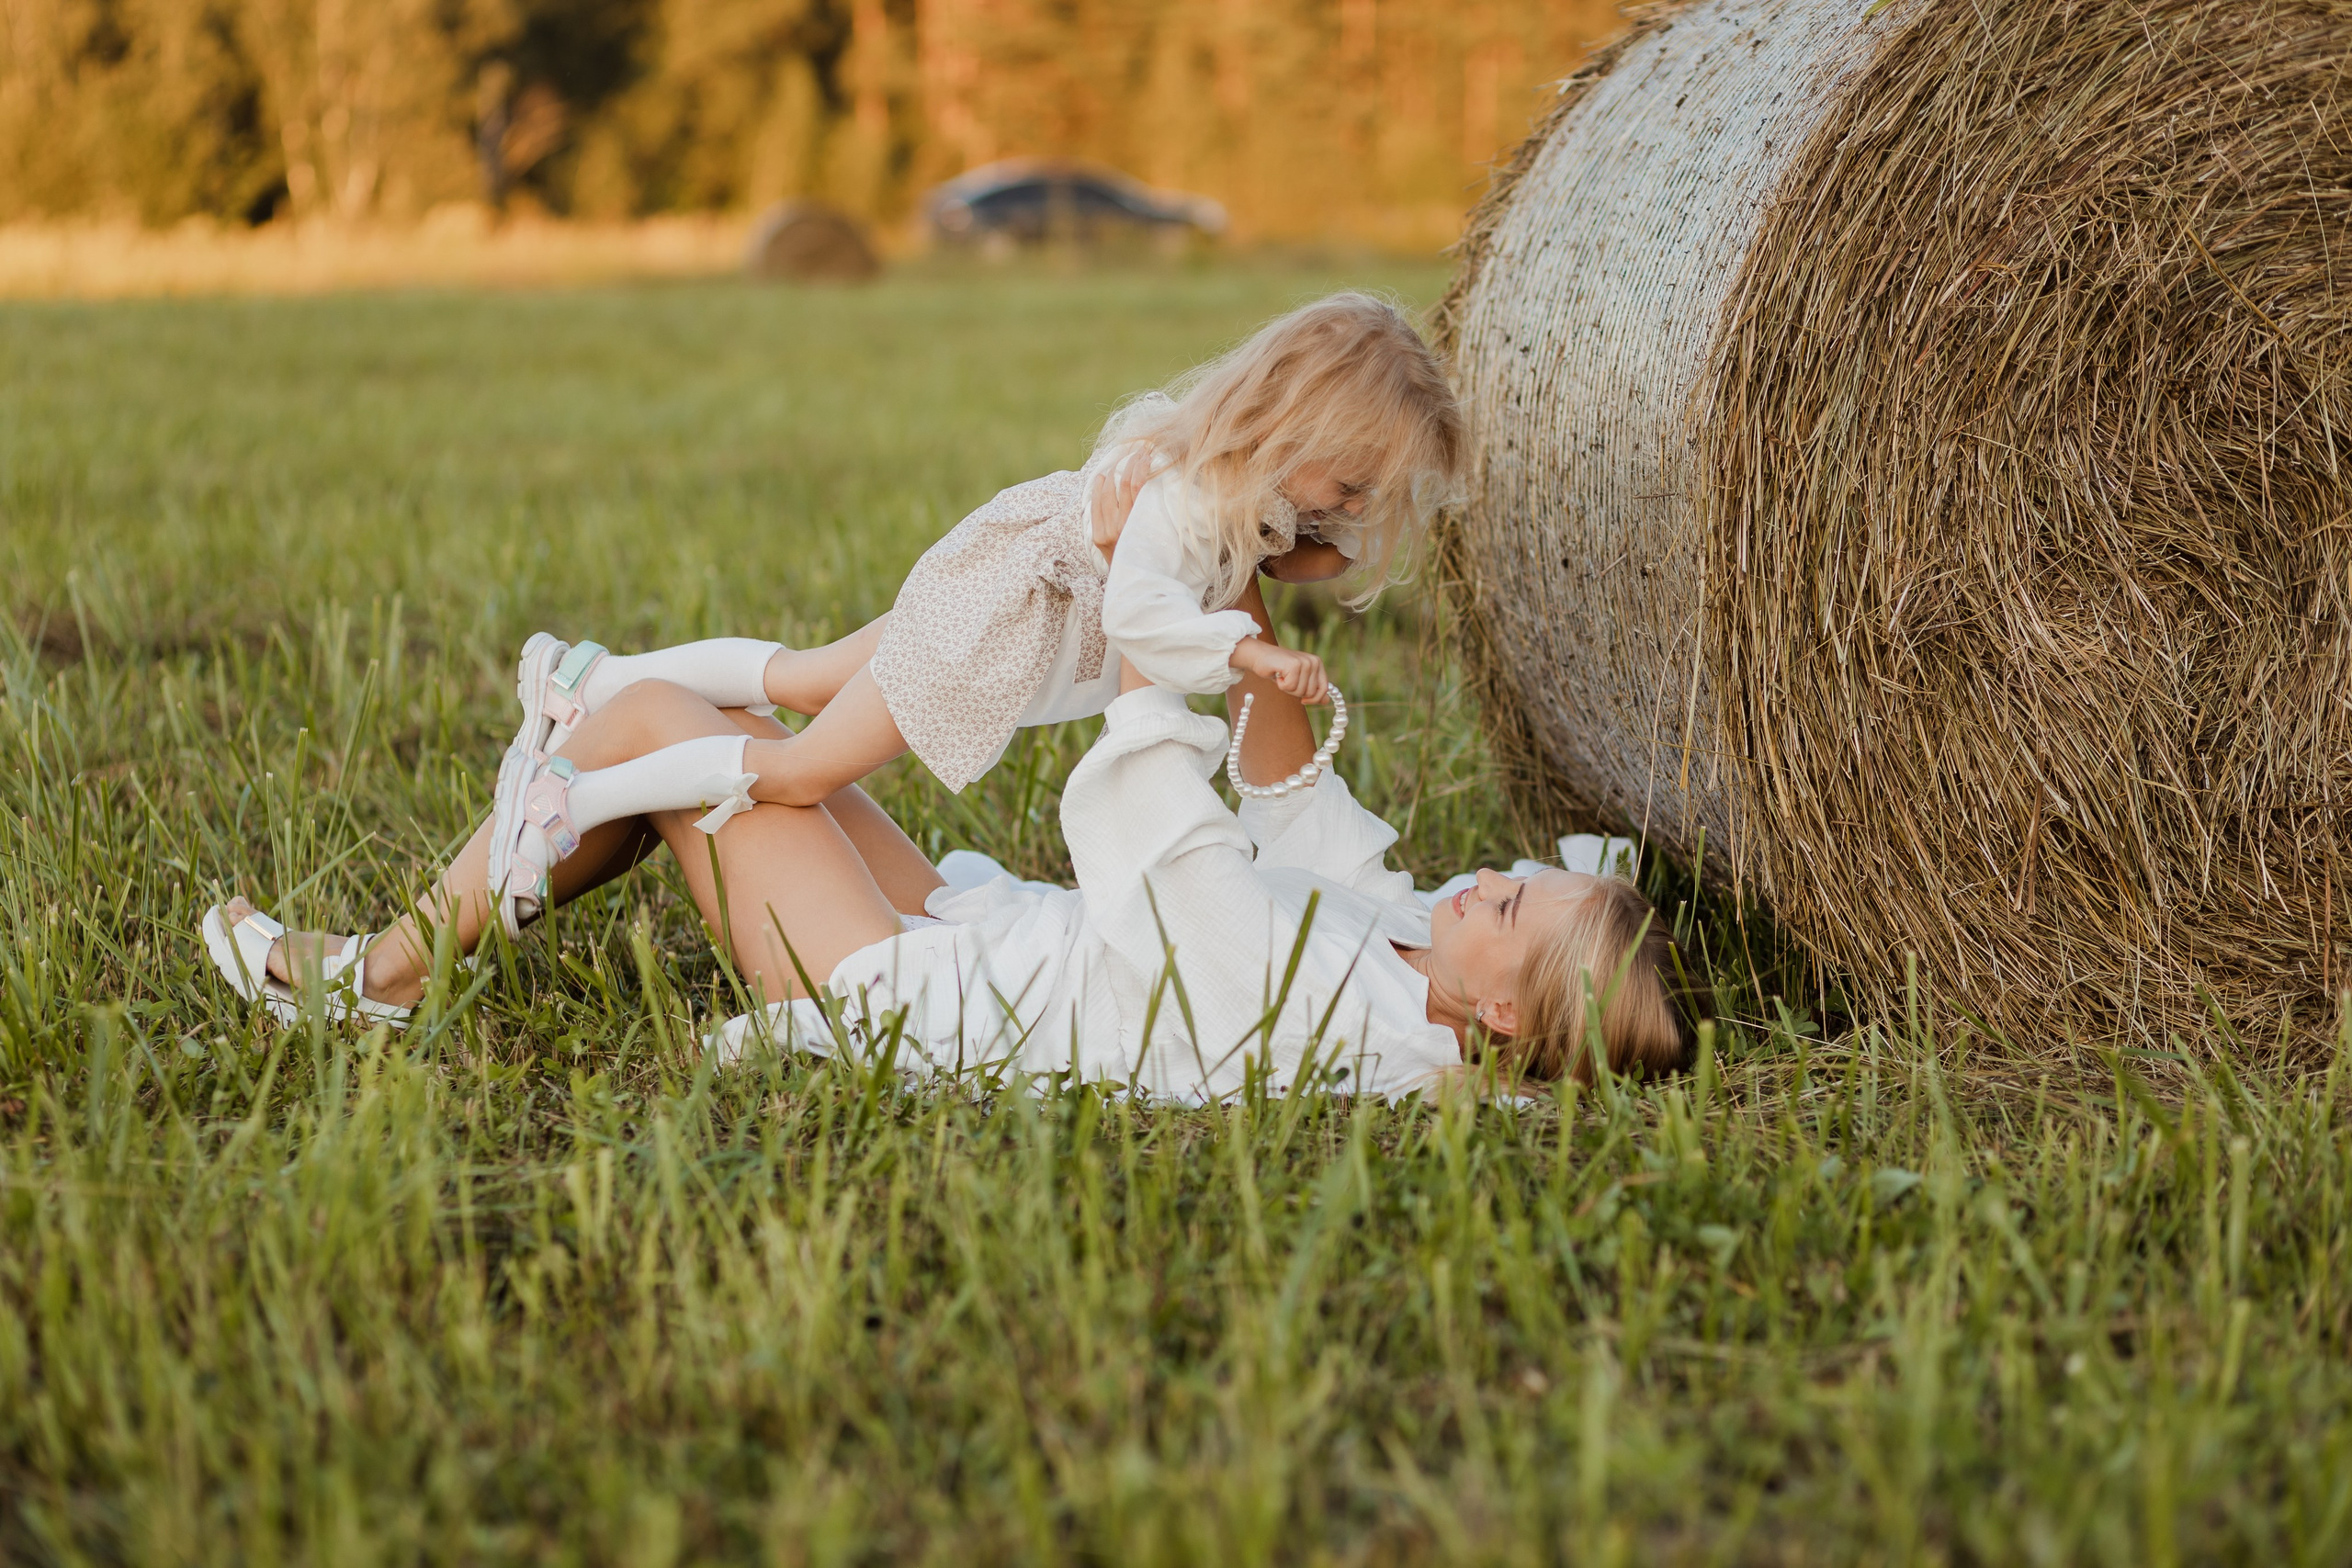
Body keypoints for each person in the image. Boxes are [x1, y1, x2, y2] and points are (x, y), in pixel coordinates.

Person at [201, 578, 1687, 1097]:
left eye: (1510, 909)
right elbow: (1307, 822)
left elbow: (1181, 867)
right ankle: (518, 838)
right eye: (1511, 880)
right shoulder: (1415, 951)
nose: (1486, 882)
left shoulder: (1345, 1013)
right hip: (986, 937)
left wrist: (1147, 654)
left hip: (926, 1000)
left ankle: (378, 976)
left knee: (654, 723)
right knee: (730, 740)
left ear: (1504, 1017)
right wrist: (1245, 620)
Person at [480, 290, 1466, 934]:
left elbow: (1290, 552)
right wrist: (1247, 656)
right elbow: (1140, 613)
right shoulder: (1183, 504)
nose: (1350, 511)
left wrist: (1318, 539)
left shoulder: (1232, 490)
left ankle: (591, 678)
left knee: (804, 675)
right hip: (989, 639)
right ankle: (571, 801)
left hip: (992, 591)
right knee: (797, 772)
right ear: (1290, 423)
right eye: (1349, 485)